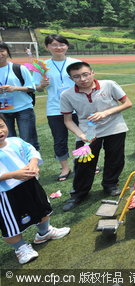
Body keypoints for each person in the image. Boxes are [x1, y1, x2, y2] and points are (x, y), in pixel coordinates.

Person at [60, 62, 132, 211]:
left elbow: (127, 103)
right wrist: (80, 134)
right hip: (87, 133)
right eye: (77, 76)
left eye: (85, 74)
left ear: (93, 73)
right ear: (71, 78)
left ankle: (110, 184)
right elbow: (67, 120)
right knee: (83, 163)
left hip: (114, 128)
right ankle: (79, 193)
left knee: (115, 158)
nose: (83, 79)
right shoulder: (66, 95)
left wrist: (106, 113)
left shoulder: (109, 84)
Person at [0, 114, 71, 264]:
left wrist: (33, 163)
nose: (0, 131)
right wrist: (13, 174)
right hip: (6, 194)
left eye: (1, 126)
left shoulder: (15, 141)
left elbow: (31, 151)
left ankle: (44, 232)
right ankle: (20, 247)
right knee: (11, 225)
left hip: (30, 185)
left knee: (42, 210)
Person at [35, 34, 81, 182]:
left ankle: (84, 162)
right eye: (54, 45)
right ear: (47, 47)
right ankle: (65, 168)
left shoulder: (77, 63)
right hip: (55, 108)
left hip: (78, 106)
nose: (58, 47)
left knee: (82, 136)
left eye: (61, 44)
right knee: (60, 139)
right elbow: (37, 88)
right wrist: (41, 85)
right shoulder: (42, 66)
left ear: (67, 46)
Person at [0, 42, 39, 151]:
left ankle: (32, 163)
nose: (0, 54)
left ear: (7, 52)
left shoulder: (19, 68)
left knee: (28, 139)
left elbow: (32, 88)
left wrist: (15, 88)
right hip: (2, 111)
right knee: (7, 141)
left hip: (24, 108)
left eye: (2, 51)